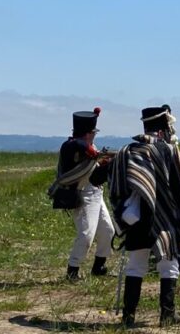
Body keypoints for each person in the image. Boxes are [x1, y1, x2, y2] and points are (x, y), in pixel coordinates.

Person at [109, 106, 180, 328]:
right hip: (165, 219)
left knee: (135, 266)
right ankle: (167, 315)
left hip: (138, 220)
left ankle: (128, 316)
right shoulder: (169, 151)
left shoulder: (127, 151)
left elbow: (111, 183)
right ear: (163, 129)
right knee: (169, 265)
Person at [53, 107, 114, 280]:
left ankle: (98, 267)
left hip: (96, 192)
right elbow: (81, 148)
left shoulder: (88, 146)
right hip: (83, 194)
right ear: (89, 132)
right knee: (86, 234)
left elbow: (93, 164)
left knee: (108, 231)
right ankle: (72, 270)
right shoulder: (73, 145)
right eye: (93, 131)